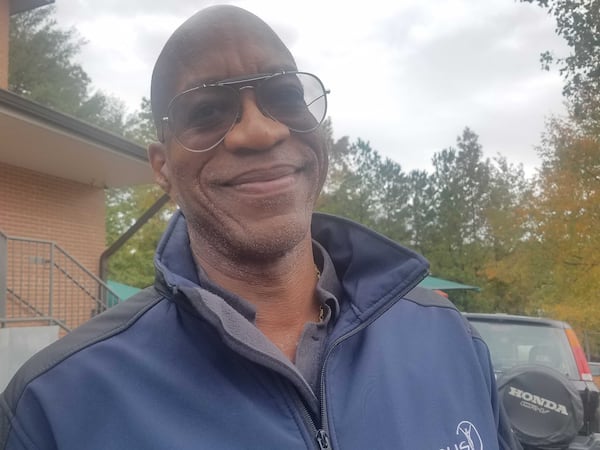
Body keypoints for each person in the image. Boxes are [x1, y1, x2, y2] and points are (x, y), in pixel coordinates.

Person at [0, 5, 521, 449]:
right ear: (162, 168)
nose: (260, 129)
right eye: (206, 111)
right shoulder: (55, 406)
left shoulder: (447, 338)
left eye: (285, 98)